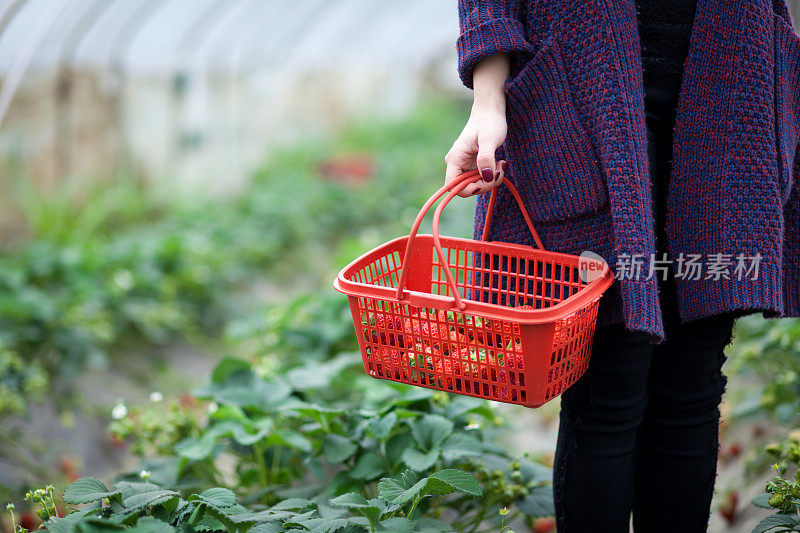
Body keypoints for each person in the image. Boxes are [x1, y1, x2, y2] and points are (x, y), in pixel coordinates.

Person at [447, 1, 800, 531]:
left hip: (735, 78)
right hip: (578, 82)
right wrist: (488, 98)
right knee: (609, 380)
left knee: (693, 384)